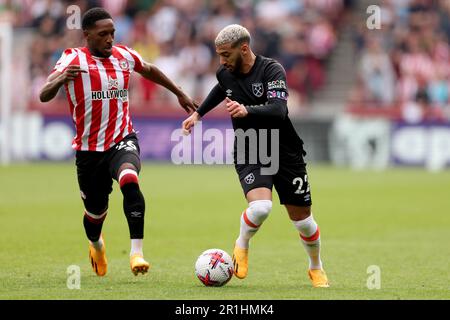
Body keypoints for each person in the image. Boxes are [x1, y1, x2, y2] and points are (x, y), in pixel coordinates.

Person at [39, 7, 197, 277]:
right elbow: (44, 94)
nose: (110, 39)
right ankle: (96, 245)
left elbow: (149, 69)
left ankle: (137, 253)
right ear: (87, 35)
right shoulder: (72, 59)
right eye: (103, 34)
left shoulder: (123, 55)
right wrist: (61, 79)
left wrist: (179, 92)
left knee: (129, 179)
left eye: (112, 33)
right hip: (89, 152)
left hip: (122, 138)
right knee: (95, 214)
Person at [182, 24, 329, 287]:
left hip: (284, 149)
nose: (221, 60)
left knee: (304, 223)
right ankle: (242, 244)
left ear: (244, 49)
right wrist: (197, 114)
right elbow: (221, 88)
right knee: (261, 207)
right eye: (219, 55)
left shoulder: (272, 70)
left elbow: (278, 111)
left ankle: (315, 267)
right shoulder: (225, 72)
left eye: (226, 54)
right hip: (252, 146)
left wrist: (247, 111)